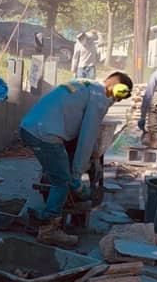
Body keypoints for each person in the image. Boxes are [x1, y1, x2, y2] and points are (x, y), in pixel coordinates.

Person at [20, 72, 133, 247]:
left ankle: (41, 218)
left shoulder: (86, 84)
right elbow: (86, 139)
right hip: (46, 134)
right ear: (116, 89)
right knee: (62, 181)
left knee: (58, 173)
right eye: (118, 98)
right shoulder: (101, 97)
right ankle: (50, 230)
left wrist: (89, 159)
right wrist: (77, 176)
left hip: (31, 126)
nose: (114, 102)